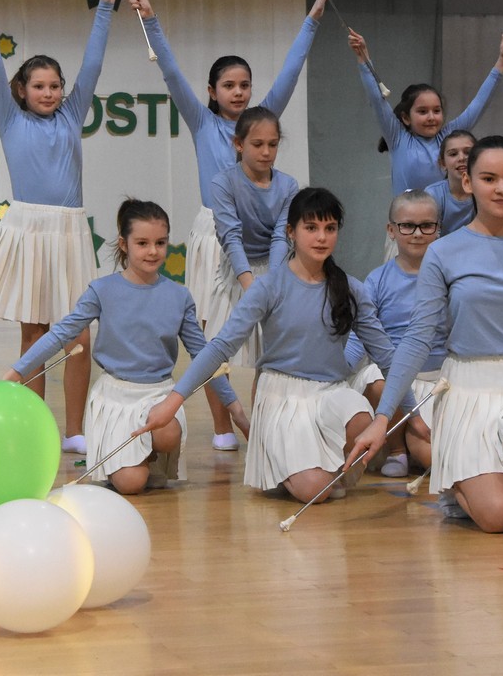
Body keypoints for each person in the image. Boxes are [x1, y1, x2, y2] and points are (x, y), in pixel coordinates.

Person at [350, 135, 503, 534]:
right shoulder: (443, 252)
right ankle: (466, 484)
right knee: (500, 517)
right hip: (466, 389)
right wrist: (383, 417)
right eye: (489, 178)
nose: (501, 188)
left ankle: (502, 478)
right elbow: (417, 338)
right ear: (468, 182)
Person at [128, 0, 326, 450]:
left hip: (265, 245)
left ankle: (266, 422)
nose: (238, 92)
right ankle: (222, 427)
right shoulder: (202, 122)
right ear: (212, 92)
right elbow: (170, 71)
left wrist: (311, 21)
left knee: (267, 337)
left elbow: (291, 72)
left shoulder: (262, 123)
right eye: (229, 86)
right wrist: (151, 20)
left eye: (244, 85)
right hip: (213, 239)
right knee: (213, 334)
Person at [138, 188, 395, 506]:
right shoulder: (268, 287)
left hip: (332, 391)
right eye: (311, 227)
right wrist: (173, 401)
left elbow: (387, 357)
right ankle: (294, 471)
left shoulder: (351, 288)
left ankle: (317, 471)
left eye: (330, 228)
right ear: (291, 232)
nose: (321, 237)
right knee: (315, 491)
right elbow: (219, 347)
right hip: (283, 397)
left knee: (361, 418)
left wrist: (415, 421)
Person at [0, 0, 114, 458]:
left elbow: (93, 64)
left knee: (78, 334)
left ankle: (74, 429)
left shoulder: (72, 115)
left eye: (55, 86)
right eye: (39, 86)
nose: (49, 93)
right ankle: (34, 426)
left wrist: (105, 8)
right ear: (22, 90)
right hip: (29, 230)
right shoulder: (10, 118)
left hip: (70, 232)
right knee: (34, 332)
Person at [5, 199, 244, 494]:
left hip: (159, 395)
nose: (153, 251)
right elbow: (60, 335)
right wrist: (17, 371)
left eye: (160, 242)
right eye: (142, 243)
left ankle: (149, 456)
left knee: (167, 434)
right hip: (115, 399)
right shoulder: (101, 290)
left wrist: (236, 410)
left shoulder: (179, 296)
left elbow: (206, 357)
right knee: (131, 485)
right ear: (123, 244)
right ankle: (128, 463)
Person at [347, 26, 503, 197]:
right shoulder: (397, 137)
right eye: (422, 112)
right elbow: (377, 99)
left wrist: (502, 62)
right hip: (405, 213)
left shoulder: (448, 136)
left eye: (437, 111)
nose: (431, 117)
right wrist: (363, 57)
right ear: (406, 118)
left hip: (441, 214)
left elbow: (478, 105)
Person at [347, 189, 445, 477]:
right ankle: (396, 449)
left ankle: (415, 446)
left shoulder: (450, 277)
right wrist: (333, 370)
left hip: (439, 380)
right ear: (391, 230)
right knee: (377, 379)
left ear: (438, 229)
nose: (417, 234)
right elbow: (359, 337)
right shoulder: (377, 279)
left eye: (426, 226)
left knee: (432, 458)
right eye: (407, 226)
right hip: (394, 377)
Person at [210, 106, 300, 368]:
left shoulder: (288, 185)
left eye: (273, 144)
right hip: (236, 272)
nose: (266, 152)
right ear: (239, 144)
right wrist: (251, 288)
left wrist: (272, 284)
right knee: (216, 355)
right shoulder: (223, 183)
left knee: (270, 355)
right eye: (258, 144)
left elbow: (281, 238)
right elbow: (231, 238)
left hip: (276, 269)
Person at [423, 130, 477, 237]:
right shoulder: (433, 194)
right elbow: (429, 236)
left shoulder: (484, 191)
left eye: (468, 152)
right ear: (443, 163)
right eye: (453, 154)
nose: (461, 158)